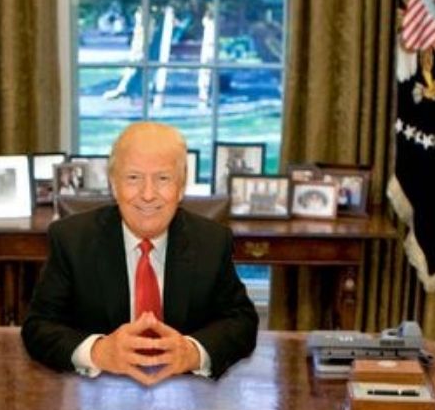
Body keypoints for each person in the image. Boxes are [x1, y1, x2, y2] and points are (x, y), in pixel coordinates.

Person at [22, 122, 258, 384]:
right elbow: (38, 327)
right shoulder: (72, 239)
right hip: (98, 396)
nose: (148, 195)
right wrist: (98, 352)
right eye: (133, 178)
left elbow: (242, 322)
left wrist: (192, 352)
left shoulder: (211, 241)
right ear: (114, 184)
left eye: (163, 178)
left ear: (181, 187)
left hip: (184, 397)